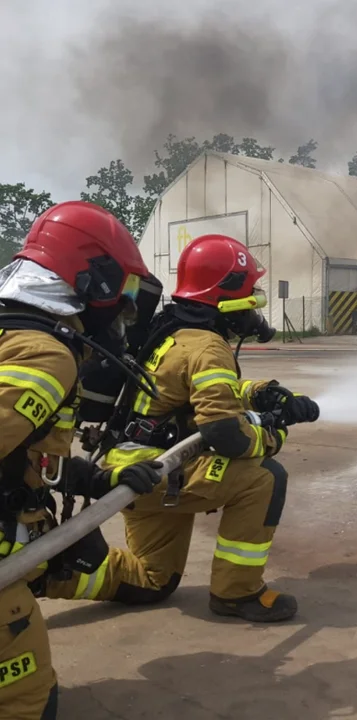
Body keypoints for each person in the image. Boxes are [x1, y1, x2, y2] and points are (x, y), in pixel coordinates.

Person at [42, 234, 320, 623]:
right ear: (227, 299)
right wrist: (273, 433)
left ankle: (44, 574)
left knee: (153, 580)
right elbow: (227, 435)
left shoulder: (169, 331)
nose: (254, 305)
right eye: (250, 293)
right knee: (265, 477)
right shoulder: (208, 346)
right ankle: (237, 593)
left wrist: (263, 394)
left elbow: (191, 391)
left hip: (132, 468)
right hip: (161, 471)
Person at [0, 201, 163, 720]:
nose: (126, 312)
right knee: (27, 695)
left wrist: (95, 477)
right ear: (95, 281)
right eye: (127, 296)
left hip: (24, 543)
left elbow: (19, 454)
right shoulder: (45, 353)